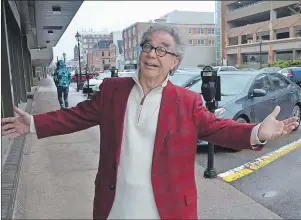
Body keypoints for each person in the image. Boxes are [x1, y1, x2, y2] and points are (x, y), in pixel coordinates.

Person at [1, 25, 298, 219]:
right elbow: (76, 115)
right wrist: (35, 123)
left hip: (167, 208)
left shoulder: (187, 101)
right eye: (147, 46)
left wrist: (257, 132)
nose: (151, 54)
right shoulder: (113, 91)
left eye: (161, 50)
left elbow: (218, 129)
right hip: (115, 204)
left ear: (174, 62)